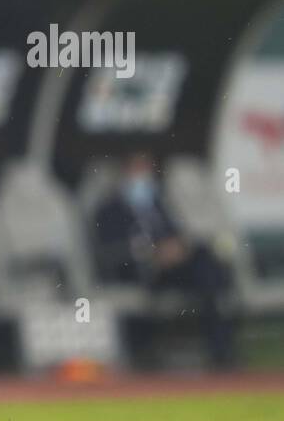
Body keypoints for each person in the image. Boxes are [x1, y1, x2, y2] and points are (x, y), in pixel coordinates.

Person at [94, 152, 237, 367]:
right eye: (138, 169)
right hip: (143, 271)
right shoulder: (109, 209)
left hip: (174, 269)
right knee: (208, 275)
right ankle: (221, 350)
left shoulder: (159, 203)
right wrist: (152, 253)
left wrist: (177, 248)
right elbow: (112, 248)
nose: (144, 176)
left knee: (203, 257)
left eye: (147, 169)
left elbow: (176, 232)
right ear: (124, 173)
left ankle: (221, 351)